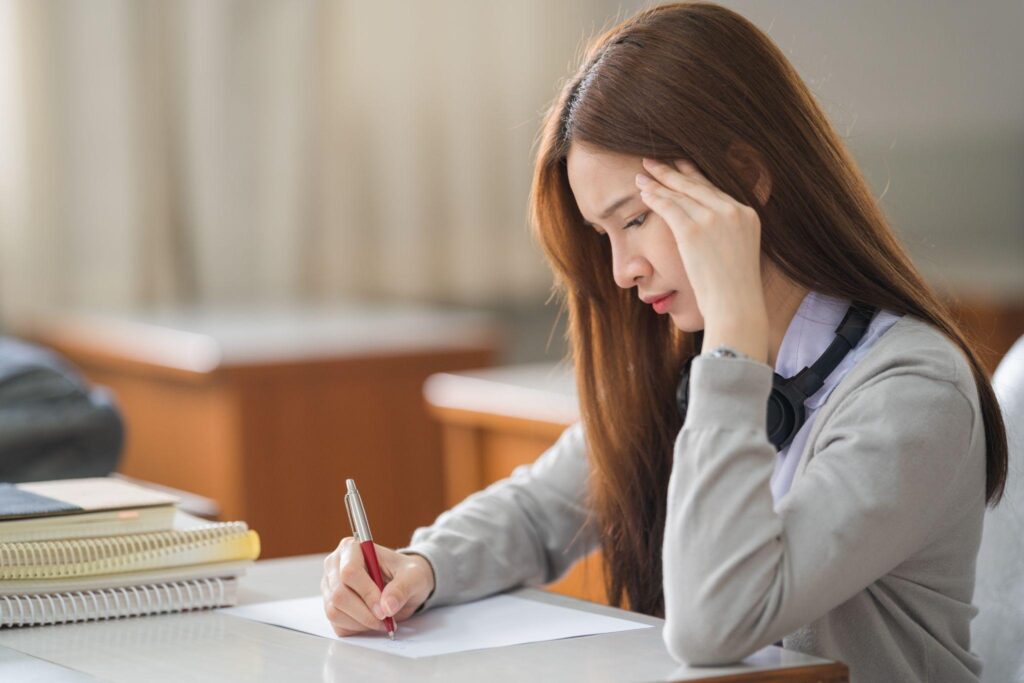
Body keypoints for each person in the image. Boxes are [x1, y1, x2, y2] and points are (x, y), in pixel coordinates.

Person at [321, 3, 1008, 681]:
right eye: (605, 235)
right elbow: (540, 508)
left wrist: (734, 348)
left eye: (638, 218)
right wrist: (423, 565)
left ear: (745, 177)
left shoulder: (911, 391)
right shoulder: (688, 360)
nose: (623, 270)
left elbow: (714, 621)